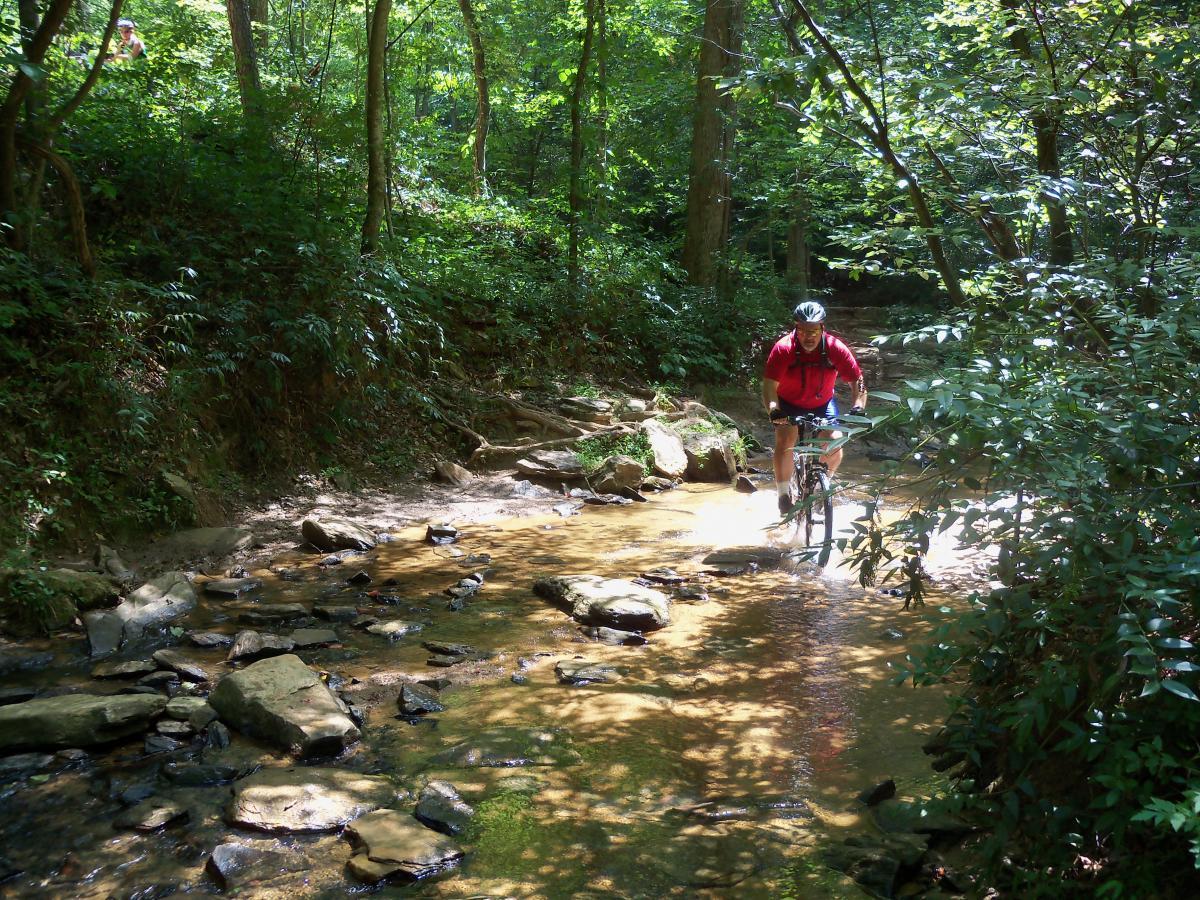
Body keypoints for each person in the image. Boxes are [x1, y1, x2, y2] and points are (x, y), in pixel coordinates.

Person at [762, 300, 867, 517]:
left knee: (835, 440)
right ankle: (783, 496)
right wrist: (774, 410)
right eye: (802, 330)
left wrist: (859, 405)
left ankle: (820, 486)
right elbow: (769, 386)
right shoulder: (783, 349)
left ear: (822, 328)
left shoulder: (835, 348)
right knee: (786, 439)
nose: (808, 336)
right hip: (788, 404)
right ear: (795, 328)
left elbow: (858, 380)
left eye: (813, 331)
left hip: (822, 404)